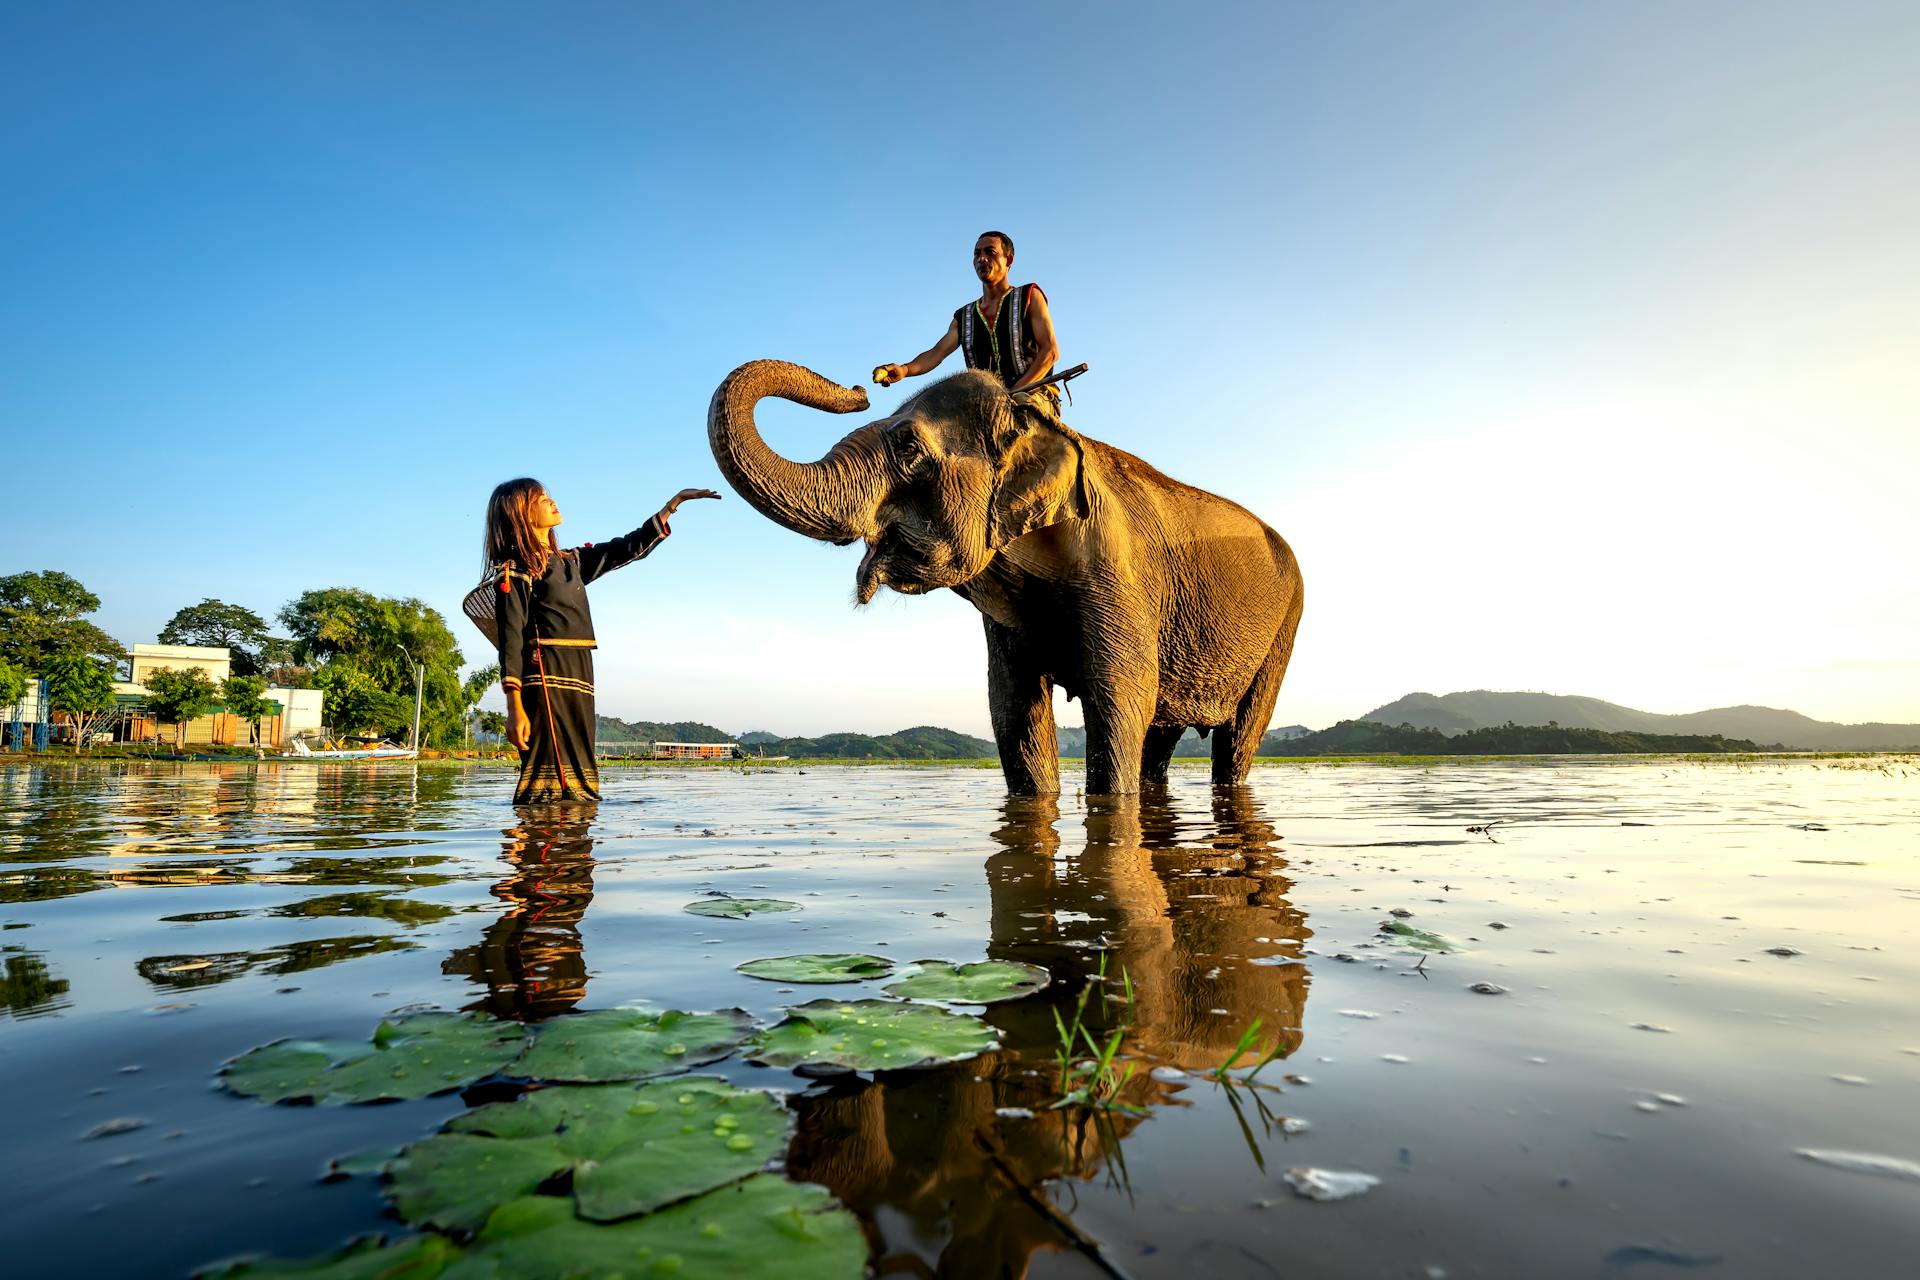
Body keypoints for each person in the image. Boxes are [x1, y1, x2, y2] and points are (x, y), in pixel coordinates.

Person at [483, 478, 718, 804]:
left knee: (579, 764)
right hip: (545, 673)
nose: (552, 502)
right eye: (541, 499)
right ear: (520, 514)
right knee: (549, 770)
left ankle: (575, 843)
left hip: (580, 670)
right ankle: (535, 842)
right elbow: (511, 639)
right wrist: (514, 707)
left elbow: (625, 549)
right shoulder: (516, 571)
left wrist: (672, 505)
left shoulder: (572, 562)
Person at [874, 230, 1061, 409]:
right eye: (977, 253)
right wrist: (905, 370)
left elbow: (1050, 352)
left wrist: (1015, 392)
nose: (982, 258)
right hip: (986, 402)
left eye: (990, 252)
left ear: (1008, 260)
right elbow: (936, 354)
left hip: (1034, 394)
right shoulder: (965, 316)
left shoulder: (1029, 296)